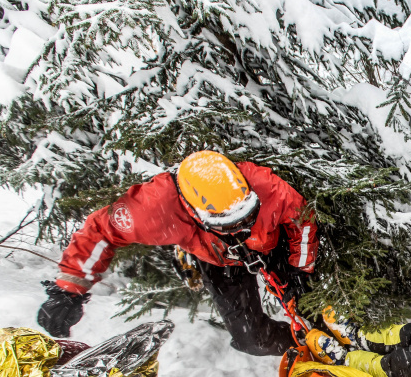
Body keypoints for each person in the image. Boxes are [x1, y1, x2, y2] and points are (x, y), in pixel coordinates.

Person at [37, 151, 318, 356]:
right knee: (252, 340)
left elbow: (302, 221)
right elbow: (100, 230)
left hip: (270, 244)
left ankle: (324, 339)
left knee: (310, 307)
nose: (241, 226)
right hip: (216, 259)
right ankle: (298, 347)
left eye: (246, 216)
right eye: (230, 223)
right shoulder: (153, 209)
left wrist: (299, 269)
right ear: (194, 212)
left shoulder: (267, 187)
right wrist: (69, 289)